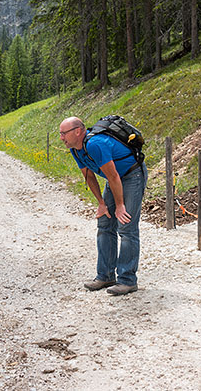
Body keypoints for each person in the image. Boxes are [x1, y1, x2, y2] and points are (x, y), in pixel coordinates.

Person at [59, 116, 147, 295]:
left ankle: (127, 280)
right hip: (114, 179)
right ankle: (105, 275)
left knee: (126, 226)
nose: (61, 138)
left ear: (77, 131)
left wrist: (120, 205)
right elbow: (89, 176)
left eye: (63, 133)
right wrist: (101, 203)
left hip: (131, 176)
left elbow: (114, 176)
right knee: (105, 223)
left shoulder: (95, 144)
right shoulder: (76, 149)